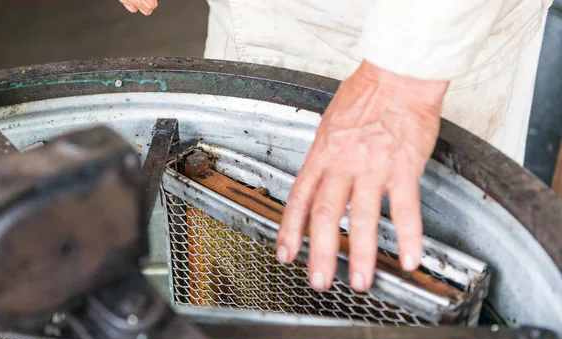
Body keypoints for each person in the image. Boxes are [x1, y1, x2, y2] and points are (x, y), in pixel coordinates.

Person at [118, 0, 551, 292]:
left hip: (414, 46)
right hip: (261, 19)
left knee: (403, 278)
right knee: (247, 283)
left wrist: (403, 75)